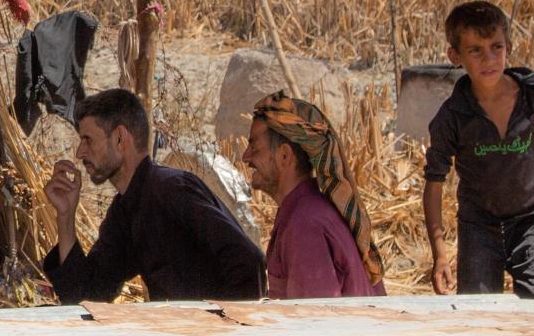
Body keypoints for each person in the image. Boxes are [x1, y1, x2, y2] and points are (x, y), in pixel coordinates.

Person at [43, 88, 264, 303]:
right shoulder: (125, 210)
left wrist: (228, 332)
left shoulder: (172, 189)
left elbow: (248, 261)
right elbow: (89, 294)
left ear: (120, 138)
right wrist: (65, 215)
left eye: (88, 140)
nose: (80, 152)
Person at [424, 0, 534, 303]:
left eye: (496, 47)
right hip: (478, 228)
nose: (489, 59)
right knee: (479, 313)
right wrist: (440, 253)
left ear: (508, 47)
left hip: (528, 223)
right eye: (475, 50)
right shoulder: (453, 117)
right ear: (455, 56)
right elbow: (434, 184)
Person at [242, 93, 385, 299]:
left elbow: (313, 322)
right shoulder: (310, 212)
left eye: (254, 146)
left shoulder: (304, 227)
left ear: (284, 156)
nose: (246, 157)